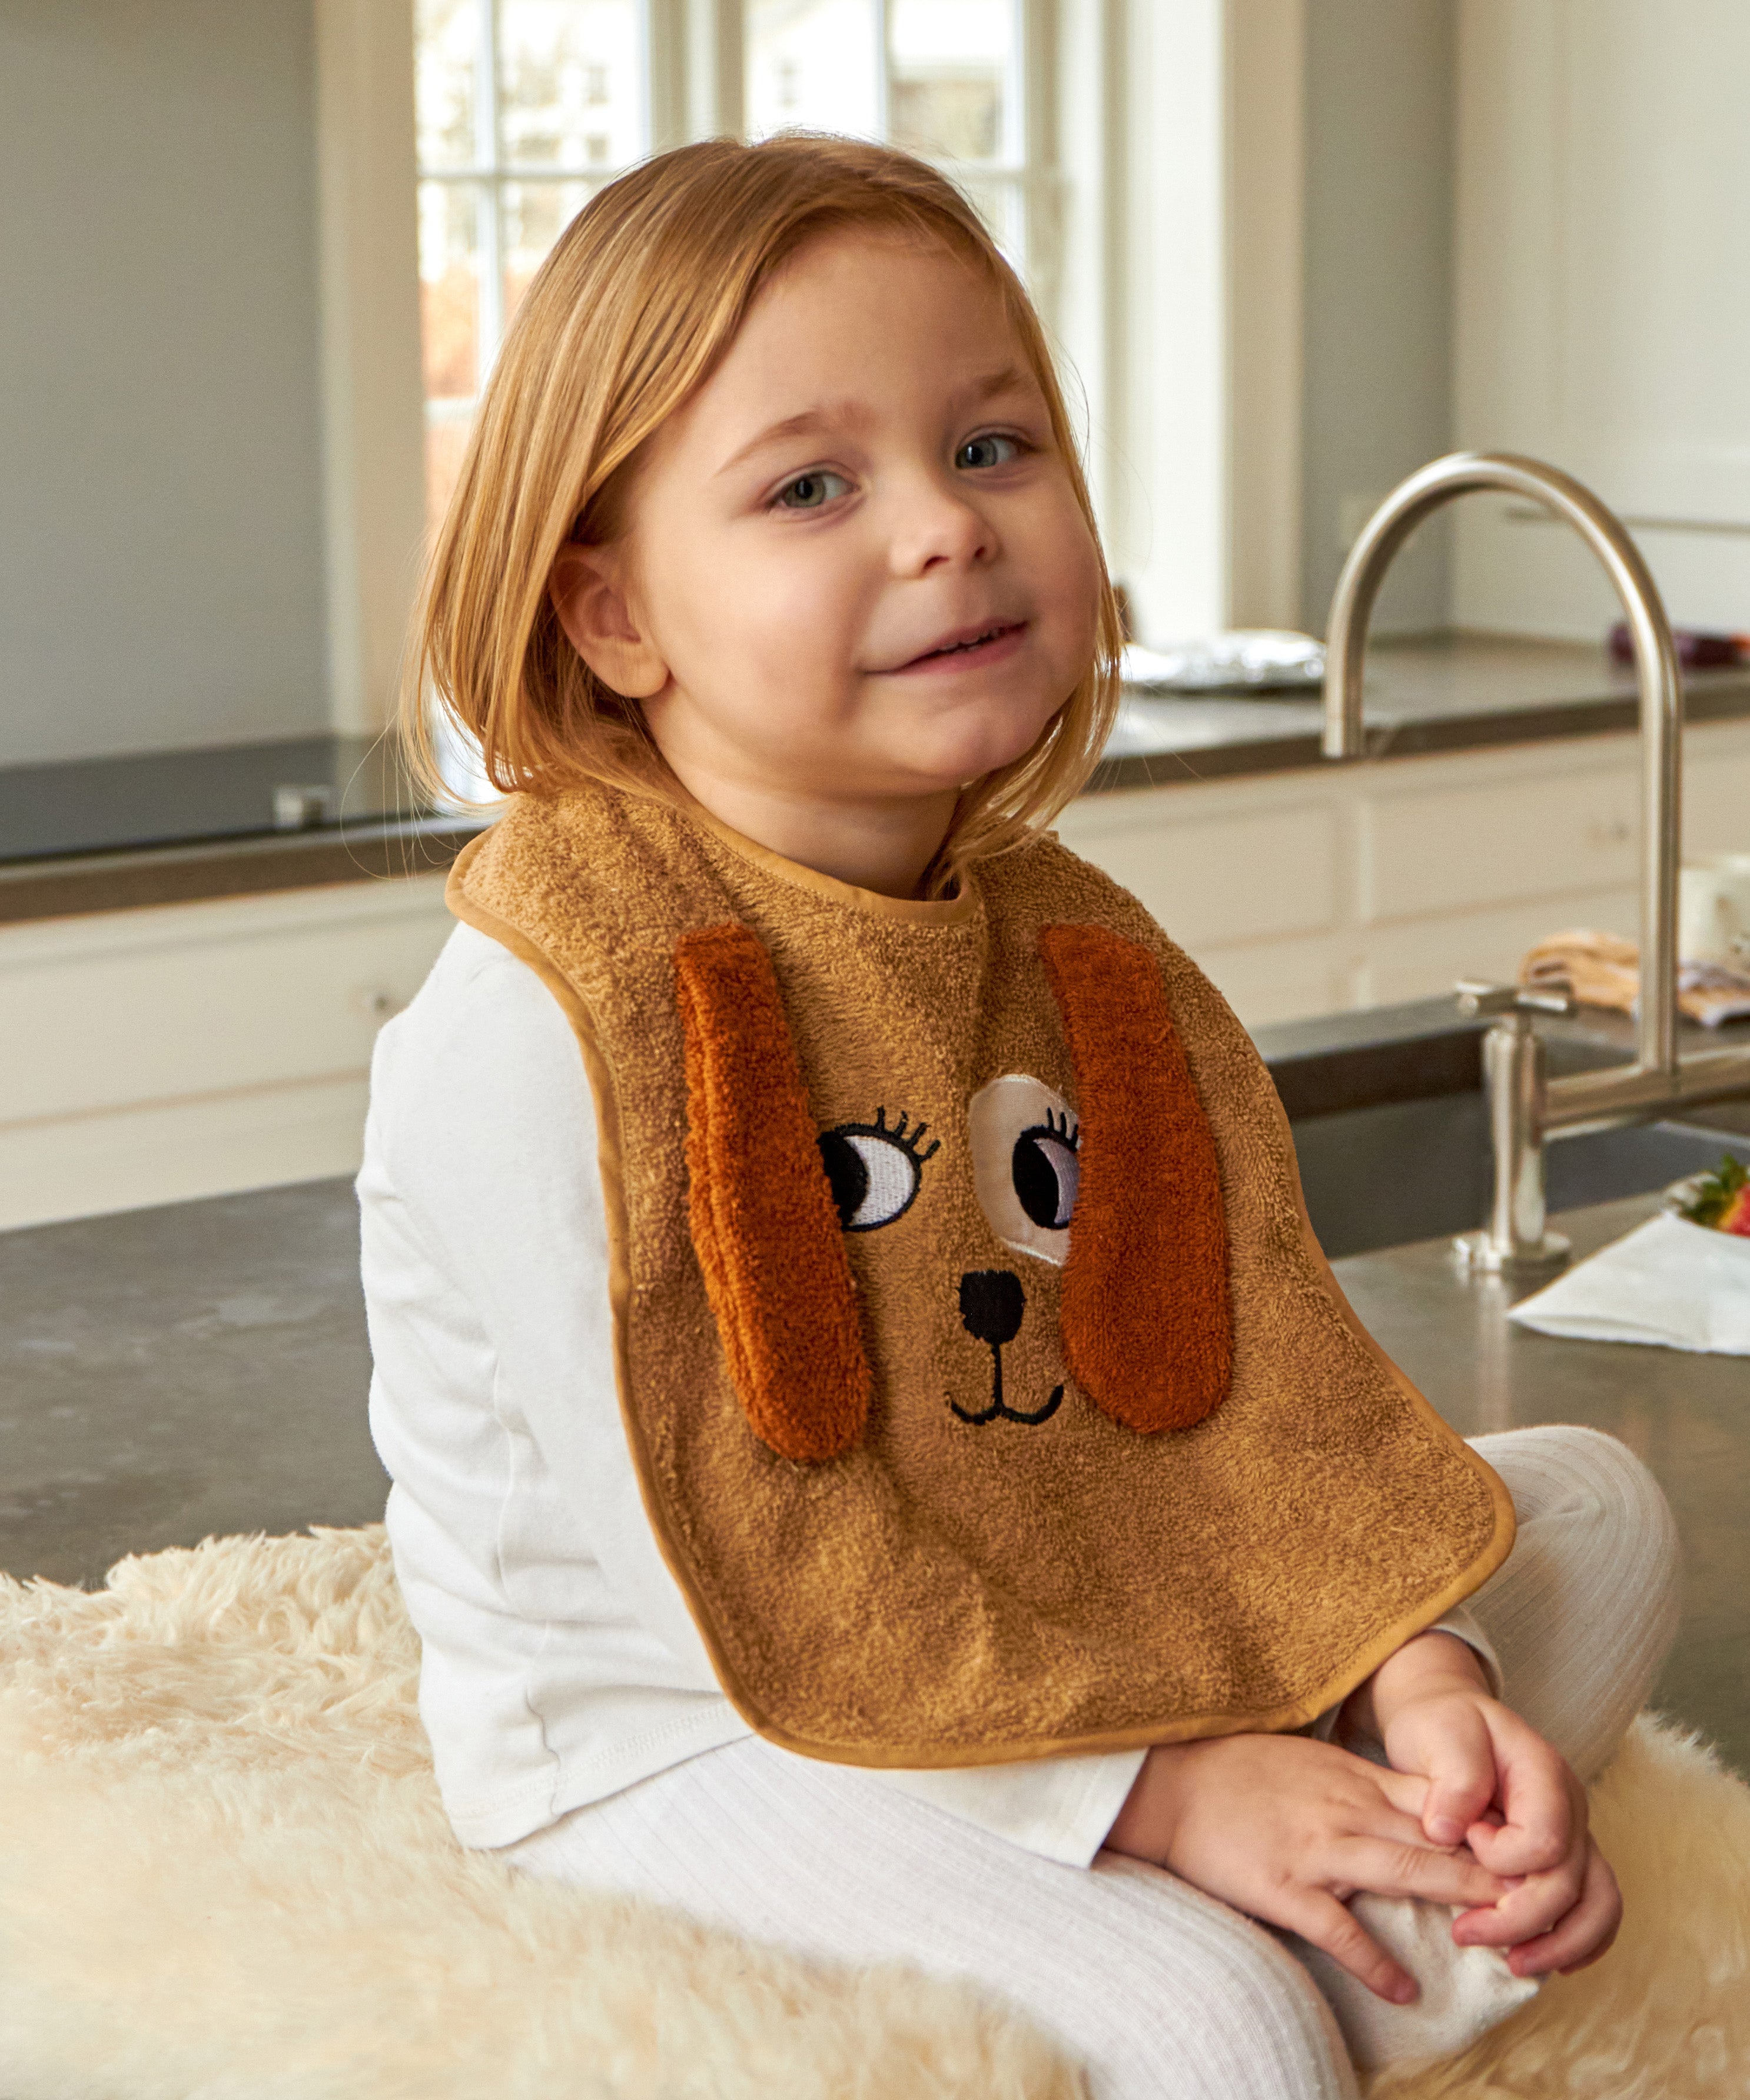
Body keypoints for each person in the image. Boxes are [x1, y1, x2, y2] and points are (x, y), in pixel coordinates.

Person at [359, 135, 1680, 2097]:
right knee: (1229, 2032)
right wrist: (1155, 1793)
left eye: (992, 448)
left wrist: (1417, 1675)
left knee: (1596, 1516)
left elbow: (1260, 1378)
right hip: (692, 1717)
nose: (945, 530)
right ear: (615, 617)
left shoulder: (1074, 946)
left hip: (1019, 1578)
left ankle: (1344, 1862)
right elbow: (746, 1552)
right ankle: (1274, 1922)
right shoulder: (551, 1019)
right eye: (814, 485)